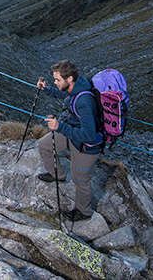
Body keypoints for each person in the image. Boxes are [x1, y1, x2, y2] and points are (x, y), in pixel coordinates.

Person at [36, 60, 103, 222]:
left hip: (87, 145)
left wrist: (59, 126)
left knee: (80, 179)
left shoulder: (84, 102)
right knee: (44, 145)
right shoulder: (76, 86)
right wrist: (47, 89)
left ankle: (84, 211)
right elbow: (63, 93)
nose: (55, 82)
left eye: (57, 79)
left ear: (70, 79)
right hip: (73, 131)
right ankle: (57, 174)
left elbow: (89, 135)